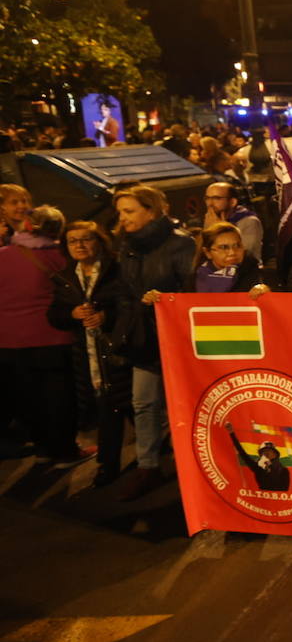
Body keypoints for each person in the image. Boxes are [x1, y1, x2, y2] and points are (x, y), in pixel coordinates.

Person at [110, 184, 198, 500]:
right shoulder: (128, 244)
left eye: (129, 211)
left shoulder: (181, 244)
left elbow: (192, 290)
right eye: (120, 212)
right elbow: (123, 286)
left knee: (184, 403)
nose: (123, 218)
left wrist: (165, 303)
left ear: (151, 211)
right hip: (142, 337)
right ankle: (148, 466)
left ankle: (191, 464)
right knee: (143, 403)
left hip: (176, 337)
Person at [0, 205, 90, 469]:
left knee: (28, 397)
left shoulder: (4, 255)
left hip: (7, 341)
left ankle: (43, 449)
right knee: (59, 398)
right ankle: (65, 452)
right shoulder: (62, 257)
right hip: (52, 337)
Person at [47, 220, 132, 486]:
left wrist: (107, 317)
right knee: (112, 408)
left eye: (86, 239)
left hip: (118, 352)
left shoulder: (116, 270)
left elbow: (131, 305)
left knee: (125, 406)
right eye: (73, 241)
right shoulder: (66, 277)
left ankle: (112, 466)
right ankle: (111, 464)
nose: (80, 245)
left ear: (99, 242)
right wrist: (71, 314)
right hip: (87, 356)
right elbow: (55, 315)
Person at [189, 222, 269, 295]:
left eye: (237, 246)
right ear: (208, 252)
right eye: (224, 247)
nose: (232, 252)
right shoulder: (195, 278)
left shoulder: (251, 270)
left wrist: (264, 292)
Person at [203, 182, 264, 261]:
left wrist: (219, 229)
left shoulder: (249, 221)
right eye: (207, 198)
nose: (209, 203)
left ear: (232, 202)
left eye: (216, 198)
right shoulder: (210, 220)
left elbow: (246, 255)